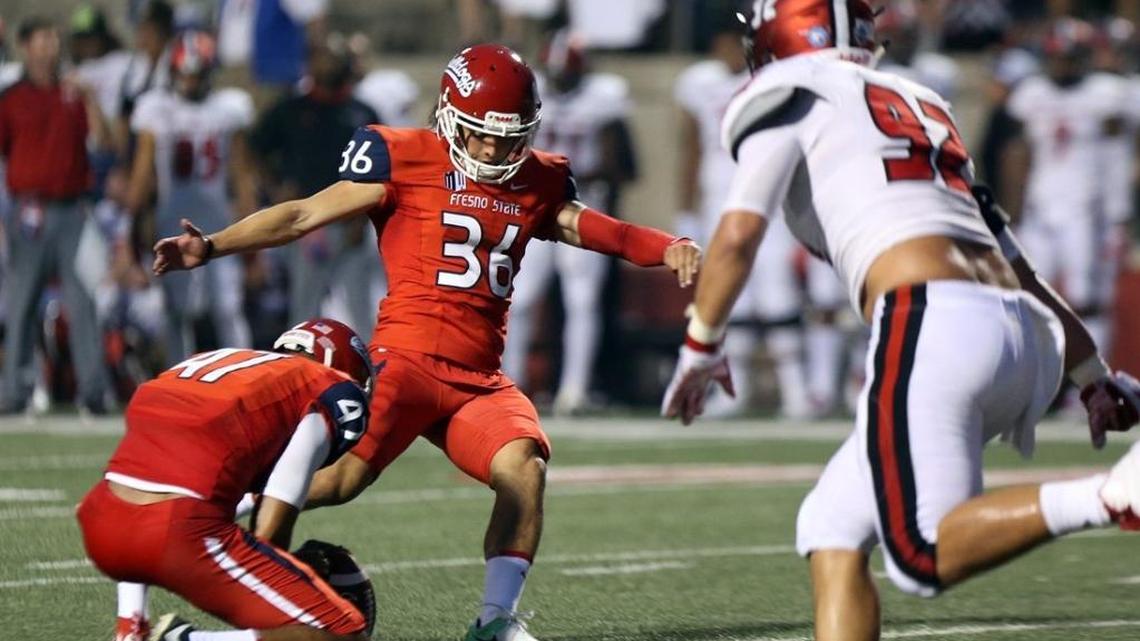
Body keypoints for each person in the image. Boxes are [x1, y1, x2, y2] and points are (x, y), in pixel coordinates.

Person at [152, 44, 701, 641]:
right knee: (340, 481)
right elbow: (302, 216)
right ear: (448, 113)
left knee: (524, 466)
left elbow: (600, 229)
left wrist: (664, 245)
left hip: (479, 379)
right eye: (481, 135)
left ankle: (495, 622)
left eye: (507, 137)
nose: (493, 150)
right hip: (408, 361)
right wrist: (210, 246)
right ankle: (210, 512)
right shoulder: (406, 156)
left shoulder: (537, 178)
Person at [661, 3, 1140, 640]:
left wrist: (701, 345)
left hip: (933, 317)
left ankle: (1112, 494)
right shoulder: (919, 101)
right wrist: (1092, 375)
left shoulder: (789, 87)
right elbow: (1018, 264)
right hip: (1022, 332)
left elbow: (739, 233)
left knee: (922, 552)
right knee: (830, 526)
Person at [78, 318, 373, 641]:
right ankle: (182, 639)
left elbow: (148, 484)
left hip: (102, 522)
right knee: (343, 631)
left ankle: (132, 629)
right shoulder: (326, 386)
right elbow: (277, 508)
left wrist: (129, 621)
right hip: (178, 531)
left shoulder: (220, 362)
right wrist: (279, 585)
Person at [674, 18, 816, 418]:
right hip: (719, 200)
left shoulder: (774, 78)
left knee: (778, 294)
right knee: (729, 297)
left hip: (768, 198)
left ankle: (796, 392)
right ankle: (734, 392)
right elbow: (690, 149)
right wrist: (686, 210)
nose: (731, 52)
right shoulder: (698, 82)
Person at [503, 31, 637, 414]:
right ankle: (511, 382)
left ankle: (573, 390)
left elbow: (618, 164)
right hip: (533, 208)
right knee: (521, 298)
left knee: (582, 301)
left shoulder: (603, 97)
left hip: (580, 209)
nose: (560, 79)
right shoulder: (531, 92)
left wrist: (576, 177)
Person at [0, 16, 111, 415]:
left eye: (52, 37)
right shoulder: (11, 98)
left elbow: (104, 143)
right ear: (26, 46)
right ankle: (14, 390)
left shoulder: (74, 91)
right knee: (22, 302)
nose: (50, 46)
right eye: (43, 38)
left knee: (83, 302)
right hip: (29, 211)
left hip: (73, 209)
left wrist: (91, 99)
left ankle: (94, 391)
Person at [1005, 17, 1132, 363]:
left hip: (1085, 207)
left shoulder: (1106, 93)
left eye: (1070, 56)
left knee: (1085, 297)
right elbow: (1018, 152)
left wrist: (1117, 211)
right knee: (1028, 296)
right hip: (1039, 207)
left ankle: (1092, 384)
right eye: (1057, 56)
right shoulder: (1032, 93)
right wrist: (1012, 208)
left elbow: (1117, 155)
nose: (1063, 63)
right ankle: (1038, 378)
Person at [127, 29, 257, 364]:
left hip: (218, 221)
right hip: (174, 219)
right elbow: (143, 176)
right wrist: (132, 227)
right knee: (177, 309)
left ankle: (244, 378)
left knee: (227, 306)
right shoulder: (156, 108)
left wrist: (254, 240)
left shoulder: (228, 108)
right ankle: (178, 380)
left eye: (196, 75)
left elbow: (241, 175)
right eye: (184, 74)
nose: (189, 82)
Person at [251, 35, 380, 337]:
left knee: (360, 310)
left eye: (334, 58)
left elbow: (381, 170)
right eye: (323, 57)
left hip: (352, 225)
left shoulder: (362, 112)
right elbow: (252, 148)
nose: (328, 65)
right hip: (309, 226)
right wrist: (273, 187)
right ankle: (299, 374)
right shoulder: (291, 110)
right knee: (304, 310)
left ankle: (369, 377)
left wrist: (364, 218)